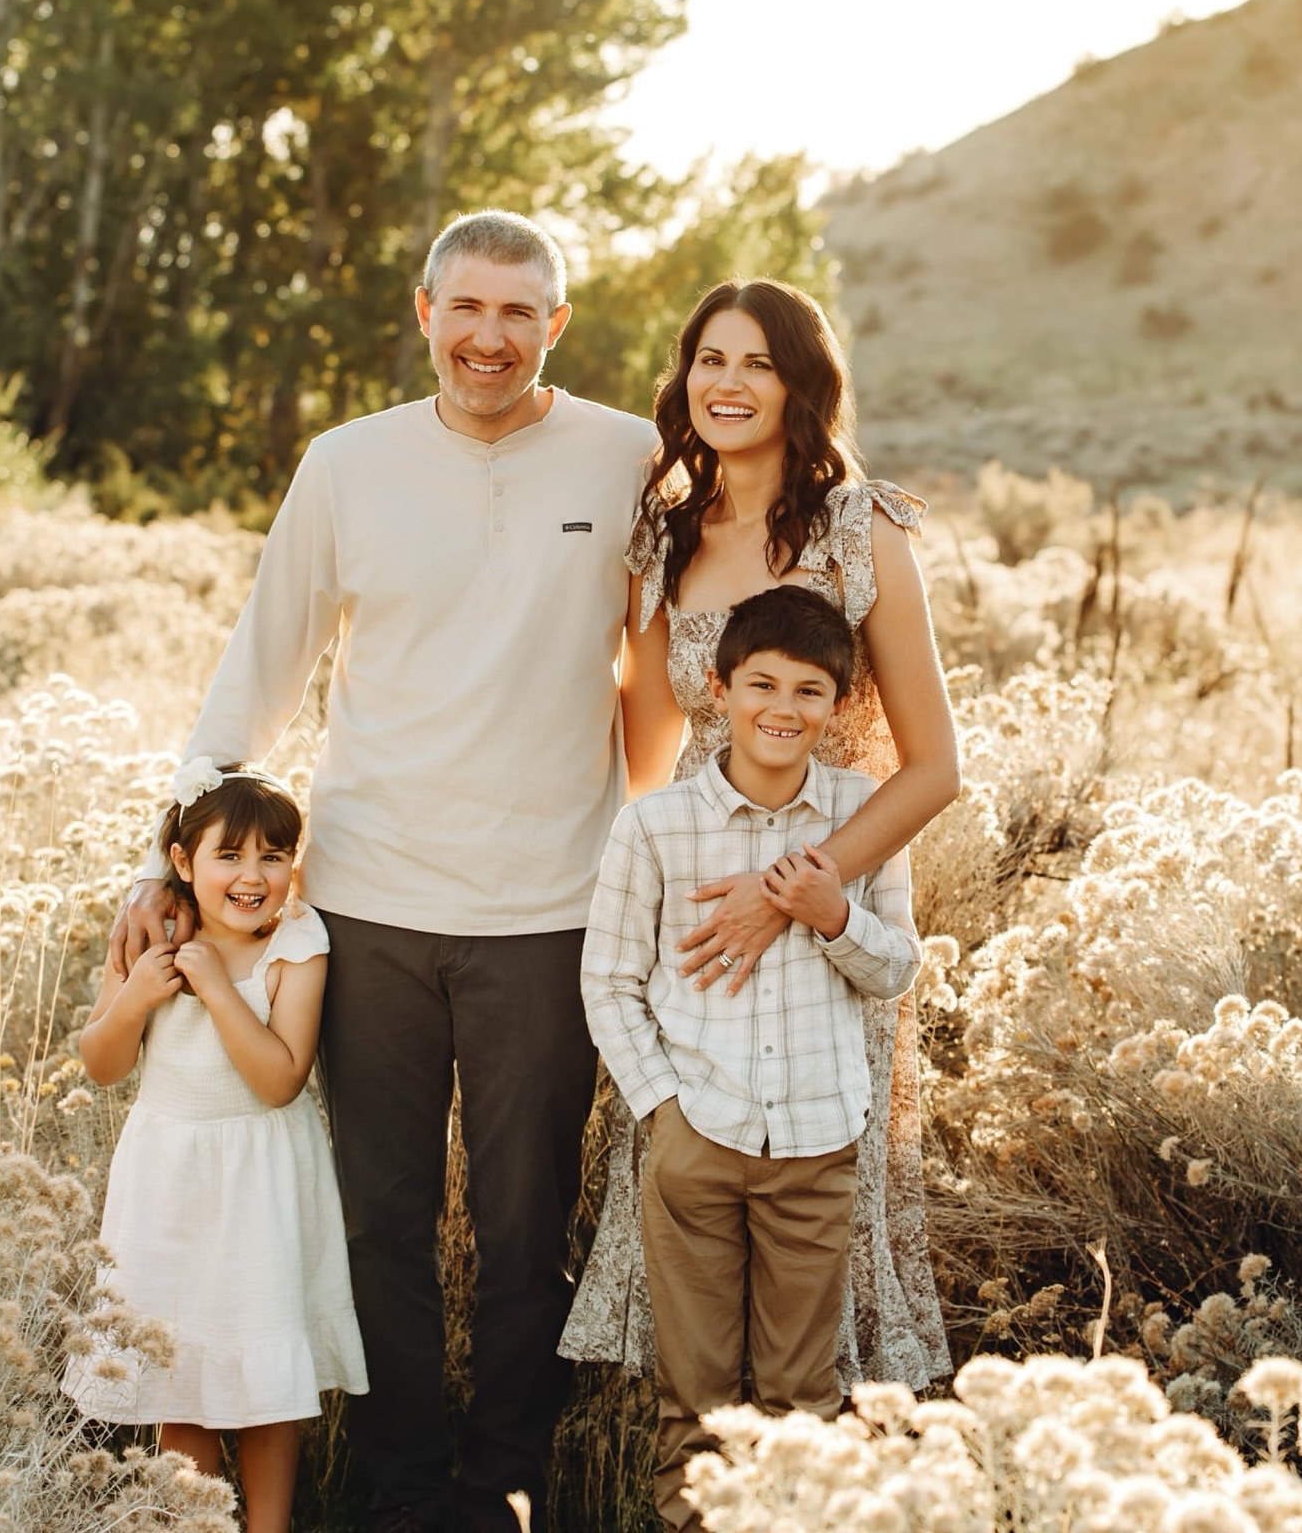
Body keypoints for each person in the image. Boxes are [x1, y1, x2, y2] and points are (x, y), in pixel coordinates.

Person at [112, 210, 664, 1533]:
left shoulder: (630, 455)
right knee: (381, 1231)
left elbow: (670, 658)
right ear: (424, 313)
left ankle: (502, 1490)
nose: (489, 338)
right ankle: (411, 1492)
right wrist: (165, 854)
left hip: (551, 911)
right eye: (466, 309)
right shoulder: (347, 466)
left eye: (518, 313)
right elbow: (261, 665)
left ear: (556, 325)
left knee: (532, 1233)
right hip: (365, 908)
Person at [562, 276, 960, 1394]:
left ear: (802, 385)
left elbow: (935, 766)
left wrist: (796, 888)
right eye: (709, 362)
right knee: (687, 1179)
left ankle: (816, 1463)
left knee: (815, 1224)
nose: (728, 385)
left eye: (758, 364)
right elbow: (645, 753)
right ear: (684, 379)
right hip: (695, 888)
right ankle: (695, 1466)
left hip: (829, 886)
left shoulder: (859, 525)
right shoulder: (665, 527)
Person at [582, 585, 923, 1531]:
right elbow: (608, 982)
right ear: (717, 686)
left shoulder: (863, 816)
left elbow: (897, 965)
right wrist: (665, 1112)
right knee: (693, 1402)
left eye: (810, 690)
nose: (783, 708)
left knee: (801, 1402)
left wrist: (833, 914)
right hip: (697, 1142)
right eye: (761, 683)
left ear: (839, 706)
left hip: (817, 1144)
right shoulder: (655, 827)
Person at [67, 763, 368, 1533]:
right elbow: (101, 1063)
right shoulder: (151, 933)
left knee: (266, 1382)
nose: (252, 876)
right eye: (228, 856)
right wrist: (137, 993)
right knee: (179, 1374)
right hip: (167, 1179)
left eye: (273, 856)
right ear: (182, 864)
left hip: (263, 1180)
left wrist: (220, 989)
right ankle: (193, 1523)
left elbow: (278, 1080)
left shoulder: (299, 945)